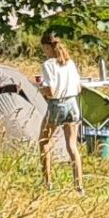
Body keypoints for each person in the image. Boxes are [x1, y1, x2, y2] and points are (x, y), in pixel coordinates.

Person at [36, 32, 87, 195]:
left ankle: (48, 182)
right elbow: (78, 87)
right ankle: (79, 186)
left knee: (44, 142)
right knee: (72, 146)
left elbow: (51, 91)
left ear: (47, 47)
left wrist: (41, 89)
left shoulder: (48, 65)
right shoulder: (70, 63)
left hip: (57, 104)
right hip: (72, 103)